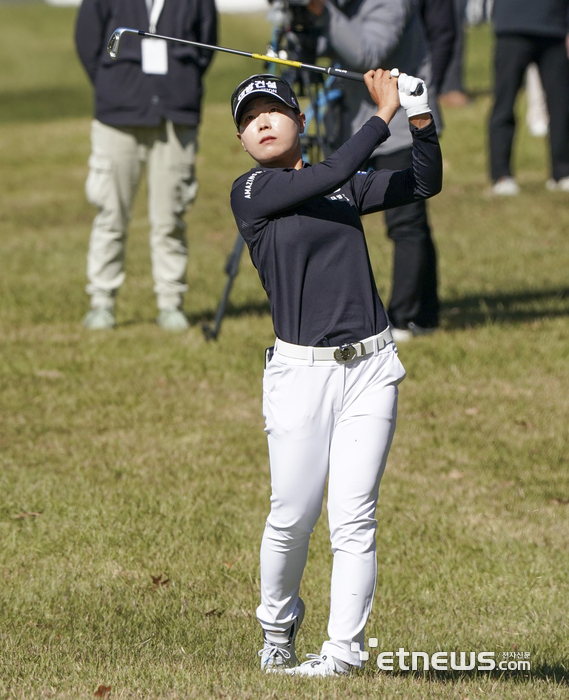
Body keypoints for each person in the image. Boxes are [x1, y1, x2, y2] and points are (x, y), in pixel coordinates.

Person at [230, 69, 442, 676]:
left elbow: (425, 181)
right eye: (248, 121)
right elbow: (332, 170)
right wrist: (383, 115)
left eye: (272, 112)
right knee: (292, 516)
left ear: (300, 121)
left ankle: (343, 653)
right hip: (300, 377)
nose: (261, 124)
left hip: (370, 367)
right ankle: (277, 625)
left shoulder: (341, 187)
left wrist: (420, 120)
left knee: (354, 517)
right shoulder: (251, 193)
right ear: (244, 143)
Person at [304, 0, 452, 342]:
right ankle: (425, 312)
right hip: (360, 124)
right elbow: (329, 46)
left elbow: (368, 54)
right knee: (394, 221)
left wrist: (320, 11)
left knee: (406, 223)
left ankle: (405, 316)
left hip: (400, 126)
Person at [75, 0, 217, 330]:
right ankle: (102, 301)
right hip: (117, 116)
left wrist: (178, 85)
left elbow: (205, 46)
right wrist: (118, 87)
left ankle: (171, 302)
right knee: (110, 212)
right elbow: (88, 42)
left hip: (176, 116)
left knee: (170, 216)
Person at [488, 0, 569, 196]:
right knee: (504, 105)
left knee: (561, 106)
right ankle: (501, 175)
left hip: (554, 26)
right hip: (512, 25)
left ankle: (562, 172)